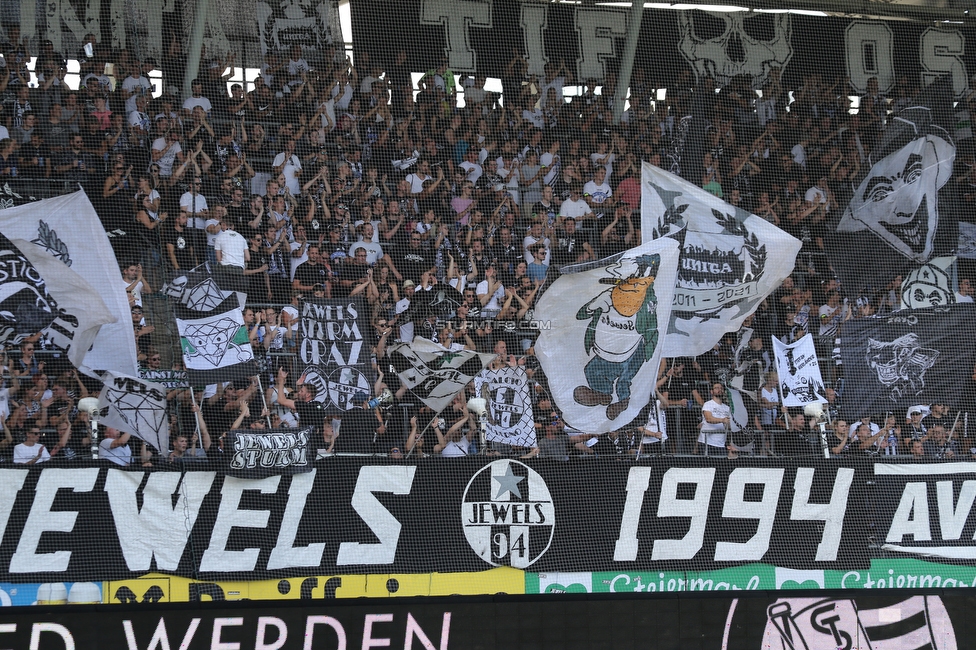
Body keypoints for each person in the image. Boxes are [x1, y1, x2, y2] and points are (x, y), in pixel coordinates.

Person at [699, 382, 732, 457]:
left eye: (721, 388)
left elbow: (729, 425)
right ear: (711, 391)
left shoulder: (727, 408)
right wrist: (722, 420)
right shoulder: (708, 404)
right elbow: (708, 418)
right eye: (717, 388)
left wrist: (729, 424)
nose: (719, 390)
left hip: (721, 443)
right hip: (707, 442)